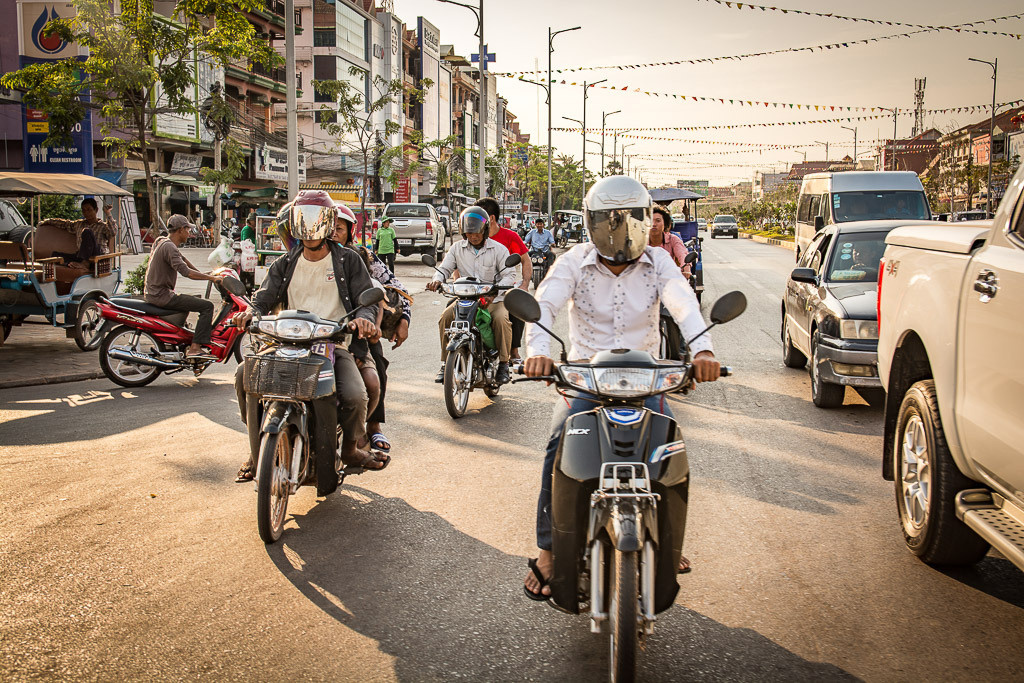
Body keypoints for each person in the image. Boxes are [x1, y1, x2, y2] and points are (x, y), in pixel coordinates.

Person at [521, 176, 721, 600]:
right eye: (609, 220)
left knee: (670, 449)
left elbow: (682, 301)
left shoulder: (659, 261)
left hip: (646, 378)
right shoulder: (573, 261)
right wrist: (537, 353)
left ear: (644, 221)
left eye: (628, 220)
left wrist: (703, 350)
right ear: (592, 222)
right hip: (587, 379)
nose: (618, 230)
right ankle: (548, 549)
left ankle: (667, 540)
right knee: (557, 446)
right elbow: (545, 305)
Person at [231, 190, 386, 489]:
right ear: (294, 223)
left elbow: (364, 299)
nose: (309, 227)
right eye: (304, 219)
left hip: (331, 343)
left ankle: (350, 449)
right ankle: (257, 447)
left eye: (315, 219)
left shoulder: (349, 260)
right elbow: (262, 298)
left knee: (356, 396)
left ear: (327, 222)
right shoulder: (284, 262)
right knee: (242, 376)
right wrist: (250, 312)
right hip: (284, 342)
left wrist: (363, 319)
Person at [334, 204, 412, 454]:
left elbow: (394, 288)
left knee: (376, 367)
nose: (333, 233)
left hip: (358, 327)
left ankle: (372, 426)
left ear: (350, 231)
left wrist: (404, 319)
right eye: (328, 227)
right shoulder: (305, 256)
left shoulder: (362, 256)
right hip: (318, 329)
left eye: (339, 228)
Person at [427, 206, 515, 385]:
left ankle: (504, 364)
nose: (473, 237)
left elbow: (509, 275)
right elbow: (444, 269)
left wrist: (495, 291)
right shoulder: (456, 248)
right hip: (466, 299)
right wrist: (437, 280)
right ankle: (445, 363)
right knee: (445, 317)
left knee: (501, 320)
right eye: (469, 233)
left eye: (476, 233)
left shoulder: (498, 249)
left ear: (485, 231)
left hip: (493, 300)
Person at [143, 214, 223, 359]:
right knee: (207, 306)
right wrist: (212, 278)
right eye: (187, 229)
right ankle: (195, 348)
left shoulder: (162, 241)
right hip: (162, 296)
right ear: (180, 230)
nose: (189, 233)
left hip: (154, 293)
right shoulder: (169, 247)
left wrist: (205, 274)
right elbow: (187, 273)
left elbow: (183, 260)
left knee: (190, 303)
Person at [475, 197, 531, 361]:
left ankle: (513, 351)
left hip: (501, 290)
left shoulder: (510, 237)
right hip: (474, 290)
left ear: (491, 218)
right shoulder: (473, 237)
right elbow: (457, 263)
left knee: (517, 304)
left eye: (479, 217)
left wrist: (524, 284)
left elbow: (525, 260)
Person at [42, 198, 117, 267]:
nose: (86, 213)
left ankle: (84, 263)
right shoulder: (79, 224)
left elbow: (113, 232)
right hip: (81, 256)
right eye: (84, 210)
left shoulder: (103, 226)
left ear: (96, 210)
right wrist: (48, 221)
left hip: (97, 258)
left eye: (89, 210)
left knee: (87, 231)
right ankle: (72, 264)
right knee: (55, 255)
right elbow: (65, 224)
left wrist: (108, 213)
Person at [649, 205, 692, 280]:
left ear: (665, 224)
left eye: (658, 221)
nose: (654, 224)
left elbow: (682, 255)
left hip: (669, 280)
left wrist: (687, 270)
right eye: (650, 221)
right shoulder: (640, 242)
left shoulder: (673, 239)